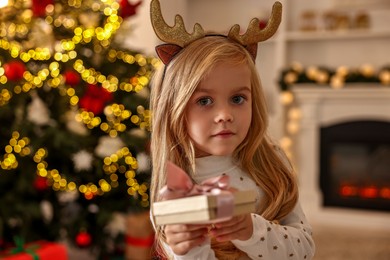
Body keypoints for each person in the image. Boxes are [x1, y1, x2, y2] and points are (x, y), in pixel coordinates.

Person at [148, 0, 315, 259]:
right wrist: (186, 250)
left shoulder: (271, 160)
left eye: (237, 99)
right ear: (174, 110)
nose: (225, 115)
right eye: (204, 101)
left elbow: (305, 248)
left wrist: (252, 231)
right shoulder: (175, 190)